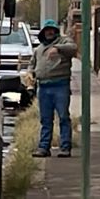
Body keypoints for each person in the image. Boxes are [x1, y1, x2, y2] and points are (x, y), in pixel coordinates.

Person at [29, 19, 77, 158]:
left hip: (60, 85)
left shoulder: (63, 42)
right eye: (47, 30)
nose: (49, 32)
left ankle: (65, 147)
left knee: (63, 117)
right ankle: (44, 147)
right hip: (43, 87)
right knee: (45, 119)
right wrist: (30, 73)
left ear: (56, 31)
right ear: (43, 32)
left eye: (52, 30)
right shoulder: (39, 49)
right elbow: (32, 64)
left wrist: (58, 48)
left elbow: (73, 48)